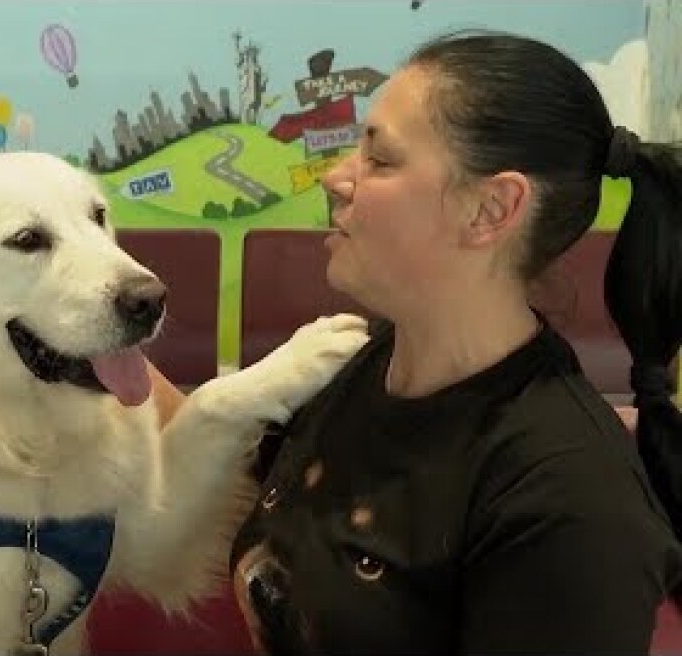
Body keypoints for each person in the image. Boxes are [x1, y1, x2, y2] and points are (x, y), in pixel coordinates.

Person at [148, 29, 682, 654]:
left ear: (491, 209)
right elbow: (256, 488)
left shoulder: (570, 500)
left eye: (379, 159)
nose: (335, 178)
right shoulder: (355, 362)